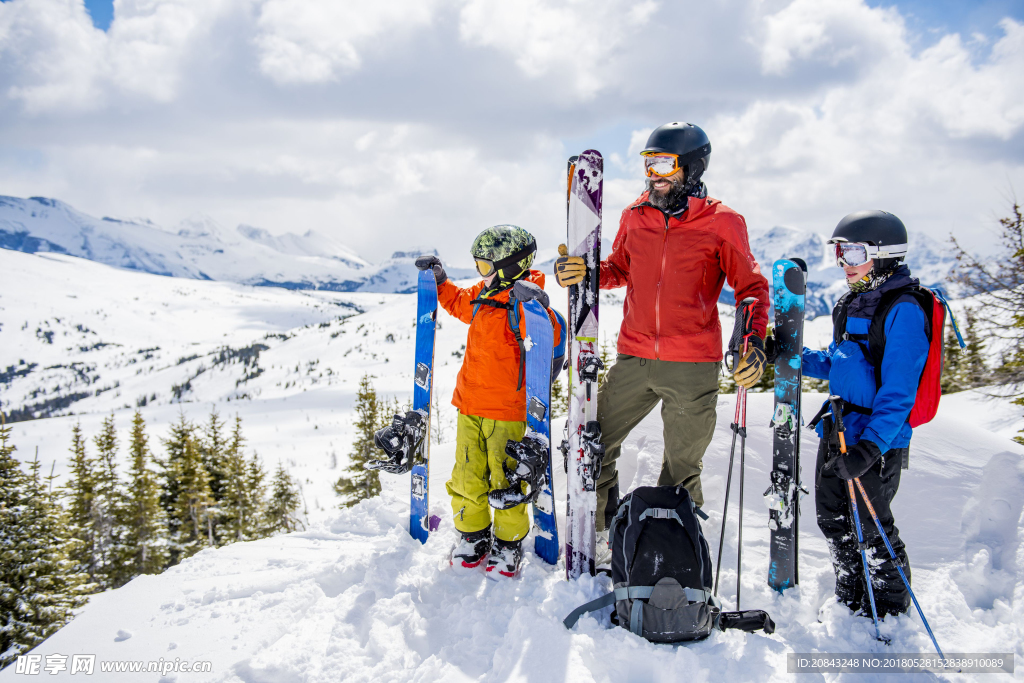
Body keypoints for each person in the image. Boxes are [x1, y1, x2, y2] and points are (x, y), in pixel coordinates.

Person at [553, 122, 770, 558]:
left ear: (690, 167)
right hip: (634, 357)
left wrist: (752, 341)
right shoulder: (636, 215)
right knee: (594, 442)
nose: (653, 174)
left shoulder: (722, 222)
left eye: (664, 165)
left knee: (682, 466)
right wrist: (586, 273)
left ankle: (673, 549)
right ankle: (600, 529)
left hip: (693, 365)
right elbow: (619, 268)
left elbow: (751, 288)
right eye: (648, 164)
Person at [415, 225, 562, 579]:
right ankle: (473, 535)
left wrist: (540, 307)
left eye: (486, 266)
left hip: (506, 413)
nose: (482, 274)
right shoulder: (483, 294)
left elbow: (552, 341)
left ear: (512, 265)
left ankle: (508, 543)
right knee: (466, 478)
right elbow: (457, 302)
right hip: (469, 407)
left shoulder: (525, 301)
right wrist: (441, 281)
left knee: (505, 481)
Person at [801, 210, 926, 618]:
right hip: (838, 430)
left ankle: (889, 610)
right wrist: (790, 357)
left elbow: (898, 390)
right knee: (832, 520)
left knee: (871, 529)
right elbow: (842, 361)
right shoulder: (853, 302)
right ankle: (852, 599)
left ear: (884, 254)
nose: (844, 263)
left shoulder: (903, 309)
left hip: (876, 440)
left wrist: (871, 447)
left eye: (853, 253)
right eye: (840, 252)